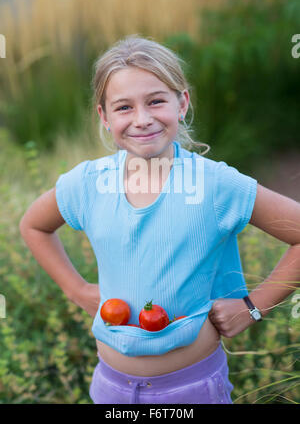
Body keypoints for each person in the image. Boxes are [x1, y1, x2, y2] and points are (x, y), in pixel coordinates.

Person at [19, 34, 300, 405]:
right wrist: (78, 290)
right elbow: (33, 225)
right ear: (103, 117)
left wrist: (254, 305)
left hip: (194, 389)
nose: (142, 119)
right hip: (110, 389)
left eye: (156, 101)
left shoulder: (216, 184)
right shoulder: (87, 183)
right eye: (123, 107)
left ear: (182, 103)